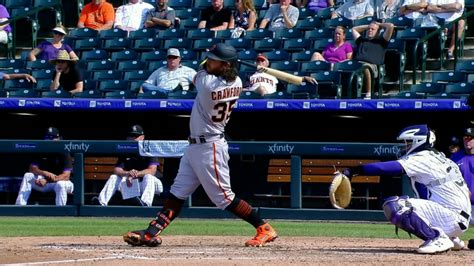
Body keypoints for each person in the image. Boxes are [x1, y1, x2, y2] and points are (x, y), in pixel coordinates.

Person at [123, 43, 278, 248]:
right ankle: (151, 233)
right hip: (195, 146)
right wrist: (227, 63)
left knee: (223, 198)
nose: (209, 60)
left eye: (214, 59)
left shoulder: (207, 83)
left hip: (210, 146)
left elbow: (202, 68)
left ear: (224, 65)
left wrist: (221, 62)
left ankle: (263, 227)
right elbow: (220, 70)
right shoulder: (238, 81)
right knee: (178, 192)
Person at [341, 124, 471, 254]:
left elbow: (385, 168)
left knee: (394, 205)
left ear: (419, 141)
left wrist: (353, 171)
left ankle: (437, 237)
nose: (405, 146)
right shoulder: (442, 158)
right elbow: (467, 193)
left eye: (408, 142)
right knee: (417, 199)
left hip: (452, 217)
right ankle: (450, 236)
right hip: (459, 218)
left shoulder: (423, 157)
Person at [96, 125, 164, 207]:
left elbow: (152, 171)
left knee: (148, 177)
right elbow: (117, 169)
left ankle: (146, 205)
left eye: (136, 136)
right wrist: (128, 173)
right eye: (131, 136)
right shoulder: (126, 150)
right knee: (114, 177)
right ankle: (101, 203)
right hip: (133, 183)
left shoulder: (148, 148)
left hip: (152, 185)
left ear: (142, 137)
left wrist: (135, 173)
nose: (133, 138)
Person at [15, 127, 74, 206]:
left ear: (58, 138)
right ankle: (19, 207)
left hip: (63, 182)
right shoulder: (42, 148)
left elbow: (66, 176)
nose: (49, 140)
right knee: (28, 175)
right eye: (47, 137)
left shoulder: (64, 149)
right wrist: (44, 173)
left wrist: (47, 180)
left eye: (52, 138)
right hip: (45, 181)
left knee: (61, 184)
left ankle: (61, 212)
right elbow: (32, 168)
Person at [352, 21, 394, 99]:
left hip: (372, 66)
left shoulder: (382, 42)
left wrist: (379, 25)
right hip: (357, 64)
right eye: (369, 29)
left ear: (378, 32)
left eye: (372, 29)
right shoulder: (361, 41)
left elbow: (390, 26)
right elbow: (354, 29)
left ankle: (368, 93)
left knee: (365, 67)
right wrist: (369, 26)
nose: (370, 30)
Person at [245, 53, 317, 95]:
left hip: (270, 96)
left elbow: (289, 79)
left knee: (262, 89)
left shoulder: (274, 74)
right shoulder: (250, 75)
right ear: (255, 63)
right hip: (254, 95)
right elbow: (245, 88)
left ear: (267, 63)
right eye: (258, 61)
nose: (260, 62)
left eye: (262, 60)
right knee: (261, 89)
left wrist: (304, 78)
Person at [451, 127, 474, 224]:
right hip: (461, 204)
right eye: (465, 138)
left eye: (470, 138)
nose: (467, 141)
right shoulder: (455, 157)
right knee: (457, 229)